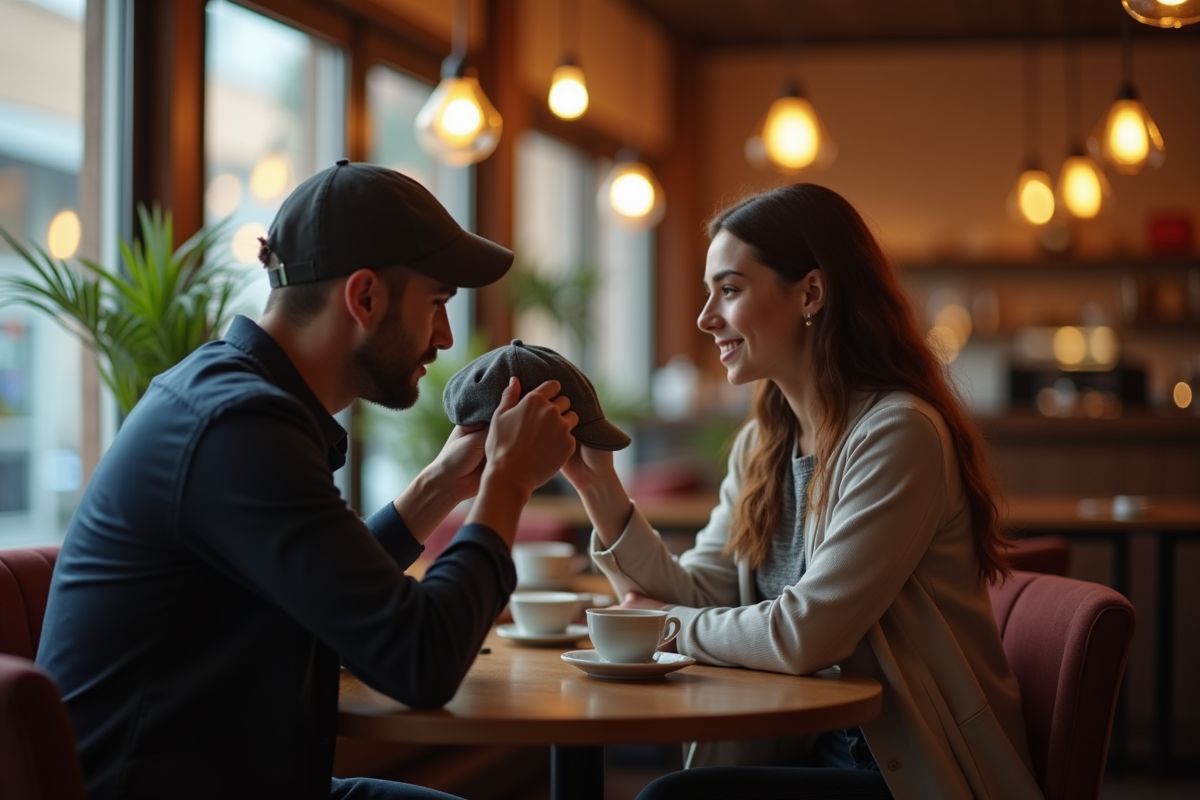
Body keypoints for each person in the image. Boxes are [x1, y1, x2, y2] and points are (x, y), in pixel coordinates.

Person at [35, 160, 579, 800]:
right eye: (435, 304)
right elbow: (419, 660)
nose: (445, 335)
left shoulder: (243, 402)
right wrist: (508, 485)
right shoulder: (237, 428)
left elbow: (332, 592)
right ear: (365, 296)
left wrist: (440, 486)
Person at [560, 183, 1043, 800]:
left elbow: (806, 634)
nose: (706, 318)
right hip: (807, 746)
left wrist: (666, 627)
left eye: (729, 290)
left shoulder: (898, 433)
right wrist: (596, 483)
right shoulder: (762, 444)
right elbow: (698, 591)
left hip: (904, 764)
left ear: (811, 292)